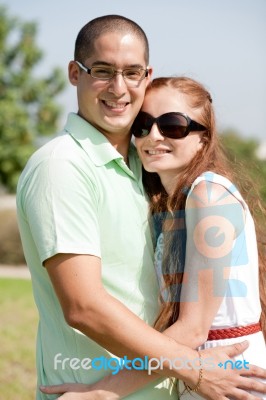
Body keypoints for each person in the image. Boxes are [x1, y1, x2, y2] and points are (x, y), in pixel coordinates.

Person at [16, 15, 266, 400]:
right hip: (93, 390)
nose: (119, 88)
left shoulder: (171, 181)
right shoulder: (61, 166)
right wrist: (105, 391)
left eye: (174, 126)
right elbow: (84, 305)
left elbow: (194, 324)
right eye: (102, 70)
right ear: (74, 72)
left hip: (214, 380)